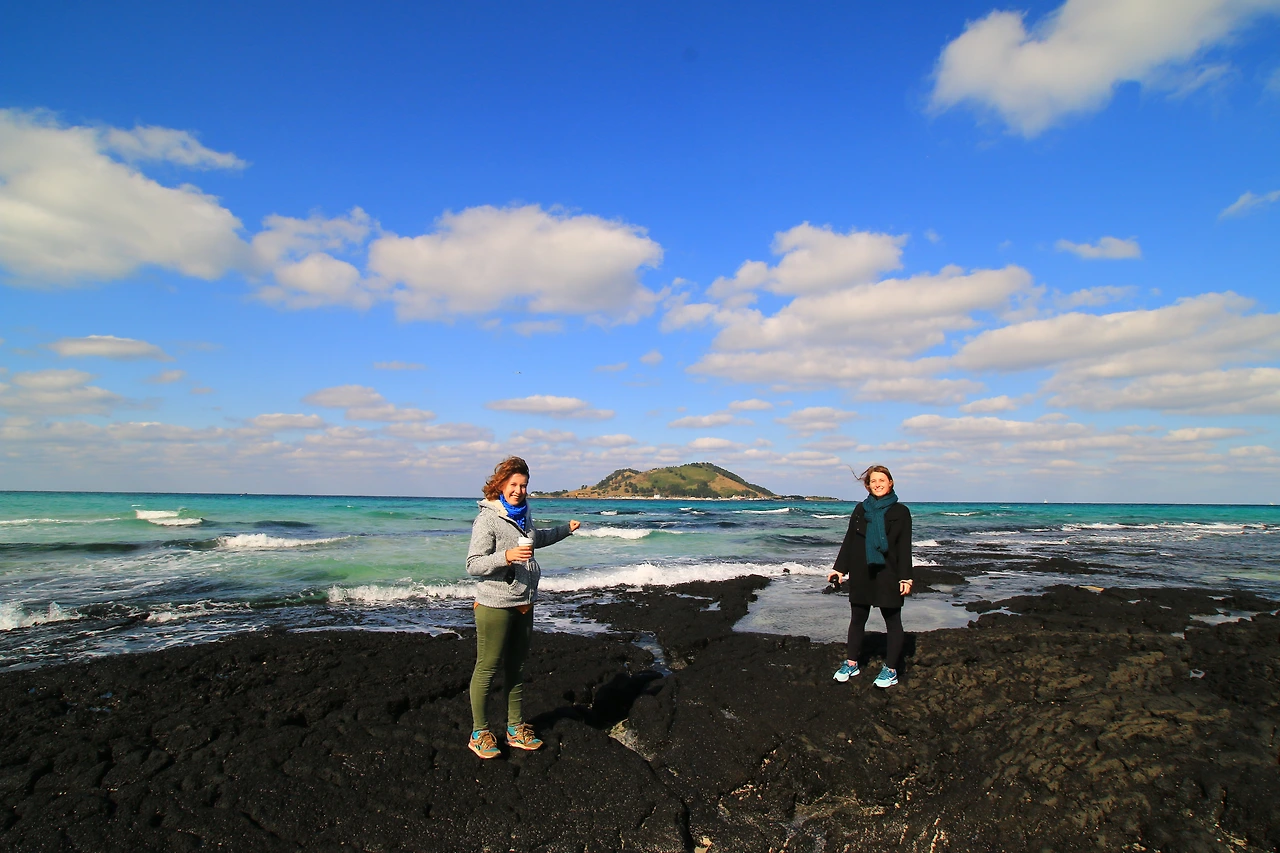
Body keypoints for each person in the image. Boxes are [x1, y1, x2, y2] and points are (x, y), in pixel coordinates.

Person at [465, 456, 581, 759]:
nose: (519, 490)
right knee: (487, 667)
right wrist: (506, 556)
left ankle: (515, 728)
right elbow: (473, 564)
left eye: (524, 485)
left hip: (524, 602)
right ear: (501, 484)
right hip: (494, 604)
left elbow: (535, 539)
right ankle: (479, 733)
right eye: (514, 484)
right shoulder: (487, 518)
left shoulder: (524, 513)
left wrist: (565, 530)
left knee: (516, 668)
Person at [826, 465, 913, 688]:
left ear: (890, 482)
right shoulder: (860, 509)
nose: (877, 484)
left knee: (892, 621)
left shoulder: (900, 512)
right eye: (873, 481)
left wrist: (905, 577)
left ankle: (891, 669)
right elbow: (850, 540)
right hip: (861, 571)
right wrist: (839, 569)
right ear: (867, 485)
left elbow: (904, 546)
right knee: (857, 619)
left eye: (881, 480)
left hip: (888, 572)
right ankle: (851, 663)